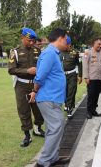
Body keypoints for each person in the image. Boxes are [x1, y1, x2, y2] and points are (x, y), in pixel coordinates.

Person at [29, 28, 70, 166]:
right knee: (56, 127)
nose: (67, 42)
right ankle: (43, 162)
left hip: (54, 98)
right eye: (66, 39)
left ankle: (52, 157)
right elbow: (40, 77)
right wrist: (35, 90)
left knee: (54, 129)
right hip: (48, 98)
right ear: (60, 38)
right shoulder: (49, 54)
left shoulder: (53, 53)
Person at [8, 27, 45, 148]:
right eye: (29, 40)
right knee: (24, 110)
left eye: (33, 40)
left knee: (38, 108)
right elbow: (11, 69)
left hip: (35, 84)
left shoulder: (37, 51)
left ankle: (37, 128)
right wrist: (27, 70)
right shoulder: (16, 52)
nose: (32, 43)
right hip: (21, 85)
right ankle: (27, 135)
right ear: (22, 38)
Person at [60, 36, 82, 118]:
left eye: (67, 44)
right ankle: (67, 104)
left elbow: (79, 63)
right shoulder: (59, 52)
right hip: (62, 75)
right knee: (64, 92)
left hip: (72, 75)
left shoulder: (75, 52)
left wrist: (80, 75)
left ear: (70, 44)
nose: (66, 46)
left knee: (71, 92)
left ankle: (69, 109)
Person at [82, 38, 101, 119]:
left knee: (97, 95)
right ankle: (89, 111)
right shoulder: (88, 52)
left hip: (99, 78)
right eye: (98, 44)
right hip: (91, 78)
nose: (100, 46)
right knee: (91, 95)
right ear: (94, 44)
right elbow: (85, 65)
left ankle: (93, 110)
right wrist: (86, 77)